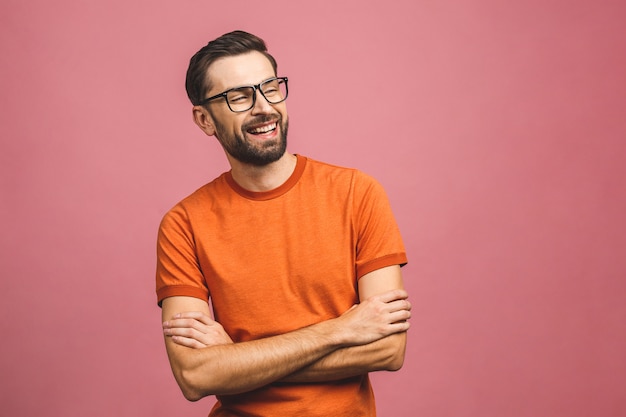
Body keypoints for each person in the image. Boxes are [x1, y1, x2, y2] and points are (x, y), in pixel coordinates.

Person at [156, 30, 411, 417]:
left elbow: (388, 349)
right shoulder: (183, 224)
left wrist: (235, 361)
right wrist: (340, 330)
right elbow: (195, 376)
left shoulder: (358, 193)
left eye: (270, 87)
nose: (264, 107)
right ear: (204, 119)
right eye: (238, 96)